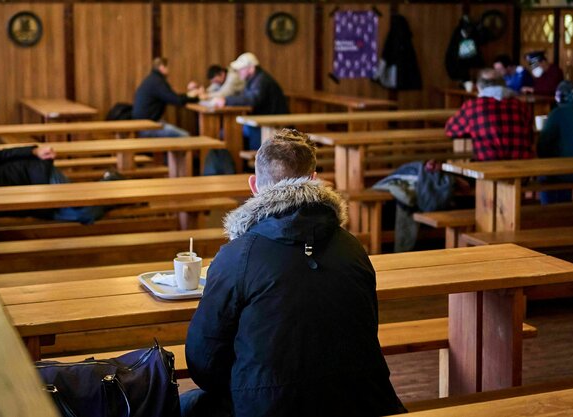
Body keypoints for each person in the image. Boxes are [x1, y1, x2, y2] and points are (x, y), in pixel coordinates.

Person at [180, 129, 406, 417]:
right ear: (314, 181)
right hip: (365, 403)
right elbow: (365, 331)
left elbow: (204, 363)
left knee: (185, 405)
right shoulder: (352, 247)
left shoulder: (237, 256)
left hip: (271, 407)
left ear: (254, 185)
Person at [0, 145, 112, 224]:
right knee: (86, 214)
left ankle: (112, 181)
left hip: (35, 175)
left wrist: (33, 151)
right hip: (29, 202)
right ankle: (111, 184)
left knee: (86, 210)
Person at [445, 69, 535, 161]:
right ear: (504, 84)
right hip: (521, 166)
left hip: (488, 165)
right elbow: (531, 136)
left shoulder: (473, 106)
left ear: (479, 87)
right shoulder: (521, 105)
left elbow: (450, 130)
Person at [210, 52, 289, 150]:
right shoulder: (254, 79)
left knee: (232, 130)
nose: (238, 72)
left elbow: (252, 99)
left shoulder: (261, 80)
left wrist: (226, 100)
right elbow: (245, 97)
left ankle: (254, 161)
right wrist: (227, 100)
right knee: (228, 130)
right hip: (262, 119)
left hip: (271, 122)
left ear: (251, 68)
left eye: (241, 69)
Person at [132, 57, 200, 138]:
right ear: (162, 67)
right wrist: (195, 98)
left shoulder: (152, 79)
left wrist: (188, 96)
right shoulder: (158, 82)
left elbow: (172, 96)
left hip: (144, 123)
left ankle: (172, 151)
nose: (168, 70)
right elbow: (176, 100)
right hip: (148, 126)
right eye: (167, 67)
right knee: (185, 136)